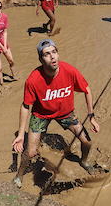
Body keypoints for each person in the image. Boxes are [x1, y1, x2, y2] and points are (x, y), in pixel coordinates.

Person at [11, 39, 100, 188]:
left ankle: (84, 162)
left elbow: (87, 90)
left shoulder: (70, 71)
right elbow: (26, 106)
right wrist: (20, 135)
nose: (52, 57)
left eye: (54, 52)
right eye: (47, 54)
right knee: (31, 152)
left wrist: (91, 117)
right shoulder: (33, 80)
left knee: (87, 141)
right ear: (41, 59)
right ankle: (19, 175)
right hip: (41, 115)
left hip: (65, 113)